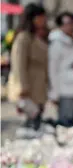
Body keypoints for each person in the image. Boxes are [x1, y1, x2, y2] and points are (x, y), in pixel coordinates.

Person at [8, 3, 48, 131]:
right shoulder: (23, 38)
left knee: (37, 124)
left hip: (39, 86)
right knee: (30, 123)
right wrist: (23, 87)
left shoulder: (37, 37)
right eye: (41, 17)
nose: (43, 20)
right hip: (28, 88)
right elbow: (19, 64)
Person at [48, 12, 73, 126]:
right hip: (64, 91)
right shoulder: (56, 43)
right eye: (67, 23)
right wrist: (54, 93)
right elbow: (52, 70)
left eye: (72, 23)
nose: (70, 26)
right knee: (66, 125)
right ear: (60, 25)